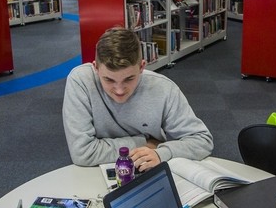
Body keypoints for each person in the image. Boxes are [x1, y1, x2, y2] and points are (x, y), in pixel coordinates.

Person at [62, 27, 213, 168]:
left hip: (149, 164)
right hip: (95, 170)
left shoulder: (164, 88)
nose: (119, 90)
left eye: (128, 79)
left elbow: (202, 141)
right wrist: (143, 143)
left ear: (142, 67)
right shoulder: (80, 81)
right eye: (109, 80)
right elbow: (82, 153)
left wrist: (161, 153)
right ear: (95, 68)